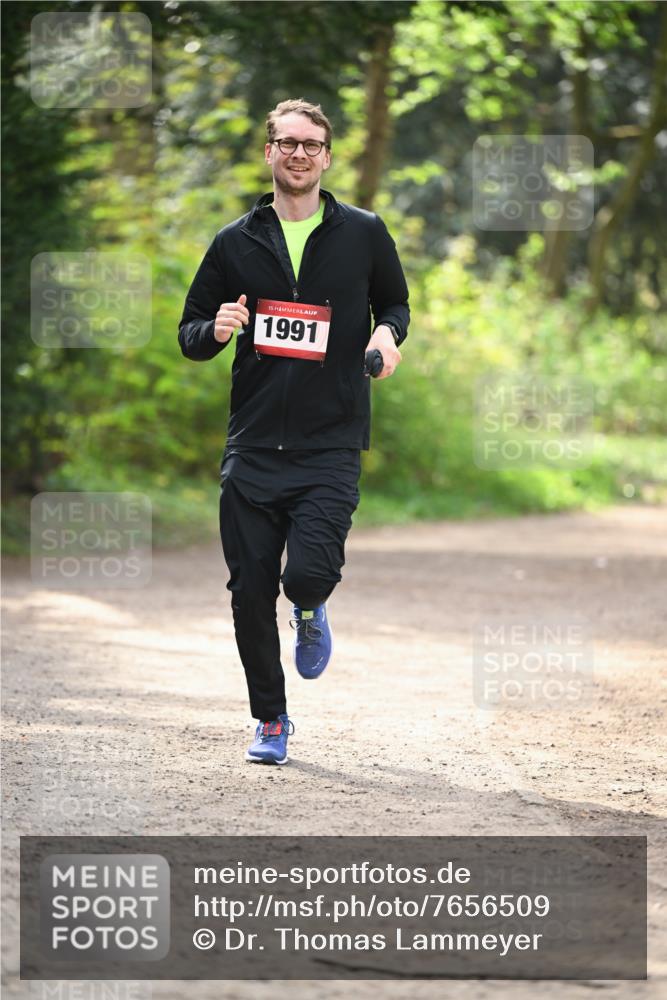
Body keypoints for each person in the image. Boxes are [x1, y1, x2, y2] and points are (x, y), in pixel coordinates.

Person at [178, 98, 409, 765]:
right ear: (269, 152)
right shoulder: (234, 241)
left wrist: (386, 337)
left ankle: (309, 606)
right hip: (252, 444)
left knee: (307, 574)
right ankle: (271, 720)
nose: (299, 154)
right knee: (249, 591)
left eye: (311, 145)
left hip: (331, 439)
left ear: (327, 157)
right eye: (287, 143)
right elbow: (190, 333)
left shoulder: (363, 232)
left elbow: (394, 302)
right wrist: (216, 328)